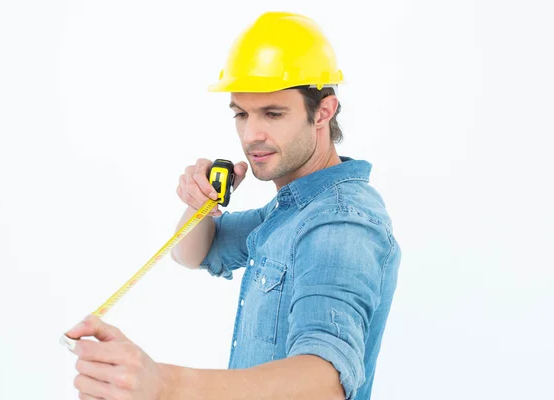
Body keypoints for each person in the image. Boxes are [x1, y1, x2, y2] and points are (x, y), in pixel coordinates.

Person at [65, 11, 402, 400]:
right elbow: (192, 253)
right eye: (242, 114)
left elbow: (324, 381)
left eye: (273, 114)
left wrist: (164, 384)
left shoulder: (340, 222)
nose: (251, 135)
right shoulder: (290, 211)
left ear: (323, 111)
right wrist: (201, 205)